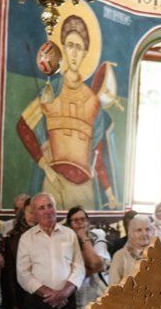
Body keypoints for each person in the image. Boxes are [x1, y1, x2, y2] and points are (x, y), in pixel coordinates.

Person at [16, 15, 120, 210]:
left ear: (85, 53)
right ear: (63, 48)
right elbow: (23, 126)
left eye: (78, 47)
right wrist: (45, 166)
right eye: (70, 45)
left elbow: (97, 154)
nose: (73, 53)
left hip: (85, 187)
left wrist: (110, 193)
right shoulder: (52, 90)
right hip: (55, 183)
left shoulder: (93, 102)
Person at [16, 192, 85, 309]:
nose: (47, 211)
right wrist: (51, 295)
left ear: (55, 208)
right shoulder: (27, 238)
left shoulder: (69, 234)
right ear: (35, 213)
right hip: (38, 303)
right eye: (41, 208)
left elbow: (79, 267)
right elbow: (23, 274)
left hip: (67, 301)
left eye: (50, 206)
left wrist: (64, 293)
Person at [65, 206, 109, 309]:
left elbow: (97, 264)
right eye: (75, 220)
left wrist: (83, 237)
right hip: (74, 296)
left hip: (97, 294)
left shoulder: (97, 237)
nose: (80, 222)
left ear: (88, 222)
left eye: (83, 219)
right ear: (69, 225)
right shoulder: (65, 242)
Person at [108, 214, 154, 285]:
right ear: (131, 233)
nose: (144, 233)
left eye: (147, 229)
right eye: (139, 230)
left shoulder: (158, 255)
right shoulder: (120, 256)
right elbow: (113, 288)